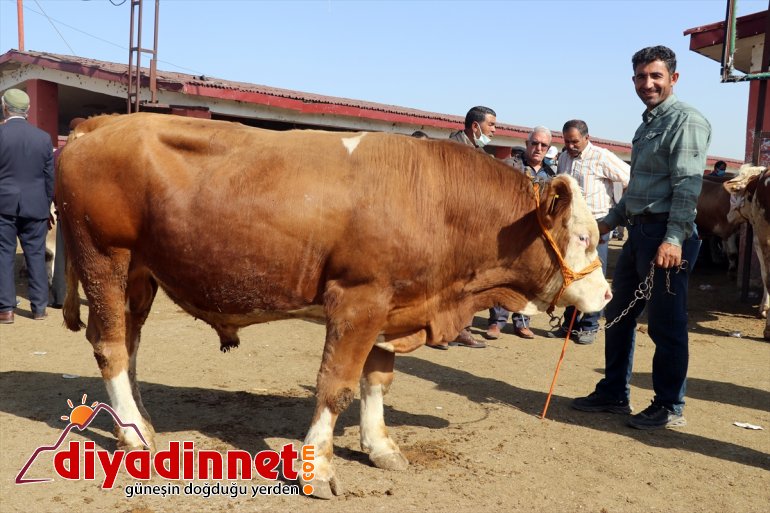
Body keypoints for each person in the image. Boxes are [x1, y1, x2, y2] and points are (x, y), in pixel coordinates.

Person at [572, 46, 710, 430]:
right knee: (617, 315)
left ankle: (669, 405)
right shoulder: (647, 124)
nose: (647, 83)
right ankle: (614, 392)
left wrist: (674, 238)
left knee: (666, 324)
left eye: (656, 76)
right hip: (638, 234)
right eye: (641, 77)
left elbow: (686, 187)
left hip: (666, 236)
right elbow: (637, 190)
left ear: (673, 79)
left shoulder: (686, 121)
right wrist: (604, 224)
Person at [551, 119, 630, 344]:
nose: (570, 146)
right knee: (570, 273)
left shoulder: (601, 156)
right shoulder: (564, 157)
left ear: (587, 138)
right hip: (570, 227)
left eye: (575, 141)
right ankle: (569, 324)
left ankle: (590, 325)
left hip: (597, 225)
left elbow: (629, 178)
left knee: (594, 274)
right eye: (566, 141)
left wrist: (619, 212)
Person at [486, 126, 556, 340]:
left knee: (528, 279)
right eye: (534, 143)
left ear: (548, 149)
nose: (538, 148)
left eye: (543, 145)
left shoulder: (551, 174)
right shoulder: (509, 165)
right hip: (508, 232)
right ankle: (496, 322)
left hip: (535, 236)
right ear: (527, 144)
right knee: (503, 276)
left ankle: (522, 322)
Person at [0, 89, 55, 323]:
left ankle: (6, 310)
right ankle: (39, 307)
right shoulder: (43, 138)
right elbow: (49, 177)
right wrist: (47, 205)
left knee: (4, 254)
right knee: (35, 254)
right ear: (28, 110)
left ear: (4, 107)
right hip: (36, 204)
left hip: (3, 204)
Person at [445, 105, 497, 349]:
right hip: (450, 227)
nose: (494, 130)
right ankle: (442, 331)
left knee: (467, 281)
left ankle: (461, 329)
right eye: (491, 125)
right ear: (476, 126)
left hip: (471, 228)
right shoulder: (451, 149)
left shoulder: (480, 152)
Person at [49, 117, 87, 308]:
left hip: (65, 211)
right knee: (90, 257)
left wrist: (55, 204)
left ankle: (60, 296)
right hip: (88, 214)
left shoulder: (58, 154)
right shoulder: (91, 153)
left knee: (62, 258)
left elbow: (52, 183)